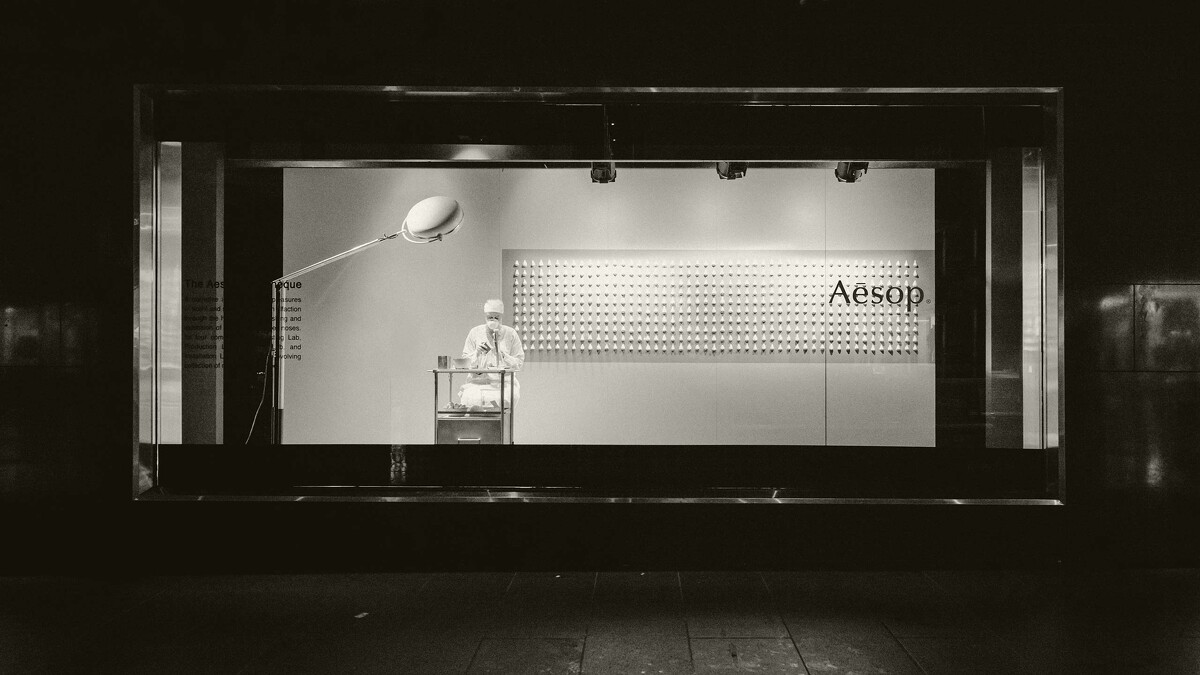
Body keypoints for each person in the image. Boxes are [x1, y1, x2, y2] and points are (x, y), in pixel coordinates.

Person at [459, 299, 524, 408]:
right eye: (490, 317)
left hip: (504, 383)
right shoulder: (475, 332)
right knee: (470, 397)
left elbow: (519, 362)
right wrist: (477, 353)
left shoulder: (510, 334)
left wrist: (503, 355)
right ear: (485, 317)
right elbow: (465, 361)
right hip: (477, 383)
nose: (493, 320)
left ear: (501, 318)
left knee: (504, 398)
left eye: (496, 317)